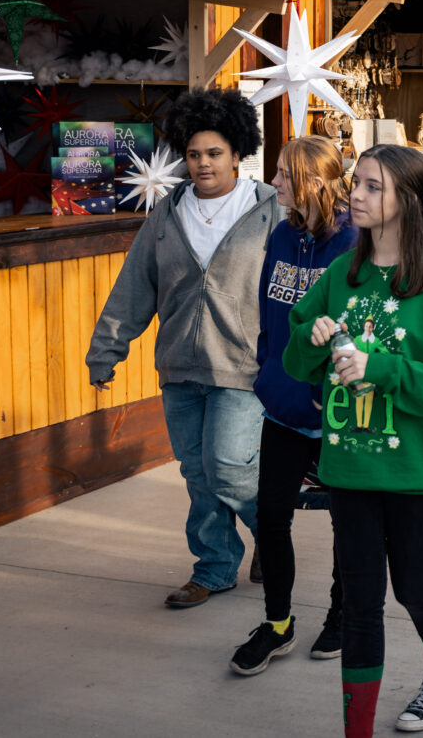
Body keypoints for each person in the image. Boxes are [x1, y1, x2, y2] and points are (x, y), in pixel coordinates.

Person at [284, 144, 423, 737]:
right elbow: (294, 361)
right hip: (349, 467)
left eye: (373, 186)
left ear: (408, 201)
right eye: (357, 183)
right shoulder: (339, 278)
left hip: (419, 468)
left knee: (412, 584)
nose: (357, 195)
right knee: (361, 602)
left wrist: (381, 369)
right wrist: (312, 340)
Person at [87, 87, 278, 607]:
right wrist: (106, 350)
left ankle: (271, 533)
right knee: (197, 475)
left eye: (214, 153)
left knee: (229, 467)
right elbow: (134, 287)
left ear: (237, 153)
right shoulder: (168, 214)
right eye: (193, 154)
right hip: (179, 365)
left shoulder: (268, 210)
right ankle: (214, 568)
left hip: (243, 365)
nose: (203, 164)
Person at [230, 135, 359, 675]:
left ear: (312, 182)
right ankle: (277, 623)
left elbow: (359, 327)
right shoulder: (282, 235)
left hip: (335, 414)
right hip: (282, 405)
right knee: (271, 516)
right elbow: (268, 309)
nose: (274, 181)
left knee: (347, 523)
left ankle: (342, 615)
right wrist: (268, 370)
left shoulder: (353, 243)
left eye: (284, 174)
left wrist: (331, 390)